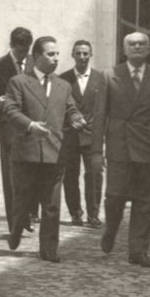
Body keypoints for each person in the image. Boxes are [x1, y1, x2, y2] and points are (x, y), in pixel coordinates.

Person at [3, 37, 86, 263]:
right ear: (36, 56)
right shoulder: (19, 82)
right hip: (26, 153)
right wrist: (30, 125)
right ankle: (17, 228)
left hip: (54, 152)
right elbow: (10, 109)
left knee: (51, 204)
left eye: (57, 54)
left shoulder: (63, 85)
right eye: (50, 54)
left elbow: (70, 109)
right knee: (22, 200)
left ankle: (49, 250)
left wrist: (77, 118)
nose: (56, 58)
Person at [101, 32, 150, 268]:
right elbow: (100, 115)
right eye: (132, 44)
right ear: (124, 49)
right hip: (120, 146)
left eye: (142, 44)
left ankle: (138, 251)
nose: (137, 47)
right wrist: (95, 152)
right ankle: (111, 228)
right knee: (114, 197)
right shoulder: (111, 75)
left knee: (145, 202)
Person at [0, 27, 34, 233]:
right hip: (8, 128)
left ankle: (28, 214)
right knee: (11, 175)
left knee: (30, 173)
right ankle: (15, 224)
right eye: (20, 50)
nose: (23, 54)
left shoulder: (33, 63)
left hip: (31, 125)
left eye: (26, 50)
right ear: (12, 46)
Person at [58, 40, 106, 227]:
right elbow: (58, 106)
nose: (82, 57)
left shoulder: (100, 79)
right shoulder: (63, 79)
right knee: (70, 176)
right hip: (70, 136)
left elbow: (104, 108)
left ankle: (93, 214)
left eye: (85, 53)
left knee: (94, 174)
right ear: (72, 55)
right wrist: (69, 121)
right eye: (78, 53)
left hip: (93, 137)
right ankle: (75, 213)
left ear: (91, 55)